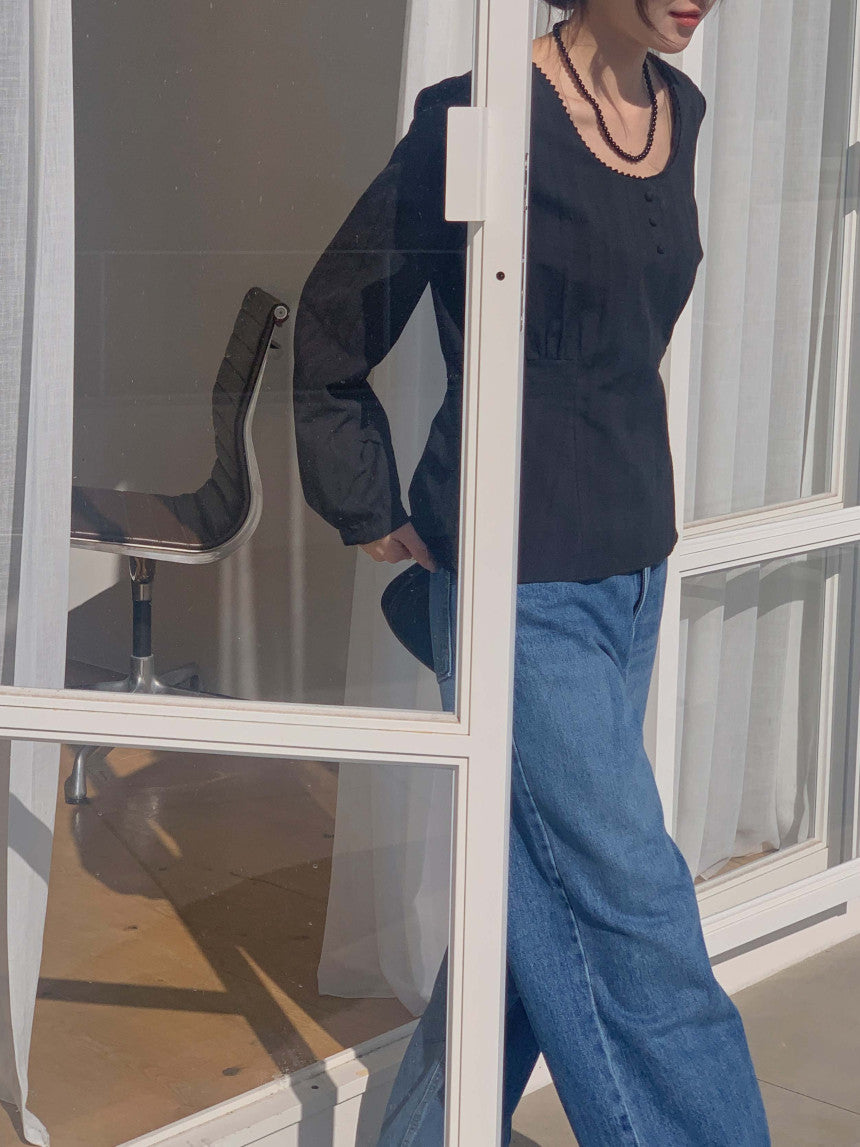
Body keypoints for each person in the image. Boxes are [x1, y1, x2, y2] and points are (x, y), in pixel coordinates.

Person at [292, 1, 773, 1144]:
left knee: (537, 892)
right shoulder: (476, 115)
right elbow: (334, 322)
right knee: (631, 908)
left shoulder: (678, 108)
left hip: (630, 563)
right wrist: (365, 502)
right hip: (517, 576)